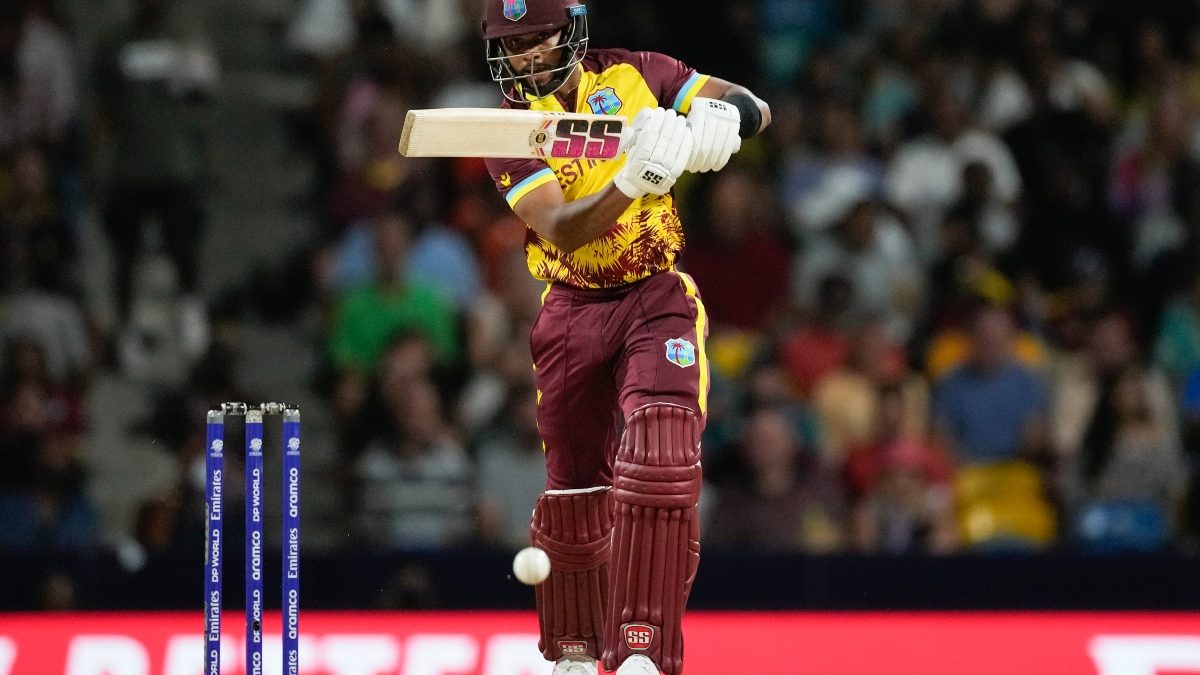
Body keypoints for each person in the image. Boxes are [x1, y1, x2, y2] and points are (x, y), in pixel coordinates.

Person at [480, 1, 770, 674]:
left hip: (654, 294)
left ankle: (642, 646)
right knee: (576, 489)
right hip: (571, 307)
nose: (525, 56)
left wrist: (726, 119)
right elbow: (564, 227)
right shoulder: (503, 126)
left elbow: (749, 102)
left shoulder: (638, 73)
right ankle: (575, 651)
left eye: (539, 37)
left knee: (663, 453)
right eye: (511, 44)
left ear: (572, 28)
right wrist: (635, 178)